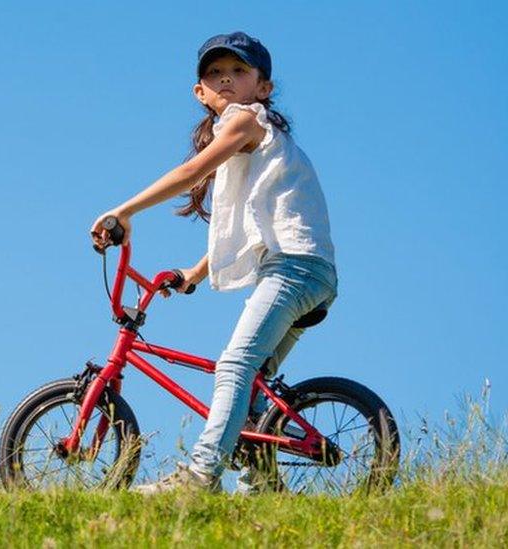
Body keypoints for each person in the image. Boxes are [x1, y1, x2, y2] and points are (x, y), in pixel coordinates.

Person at [89, 31, 338, 494]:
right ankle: (264, 484)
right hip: (304, 270)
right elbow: (247, 222)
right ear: (199, 92)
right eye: (214, 74)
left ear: (263, 87)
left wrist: (123, 210)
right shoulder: (252, 146)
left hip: (294, 269)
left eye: (239, 72)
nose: (226, 80)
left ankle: (200, 475)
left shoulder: (247, 122)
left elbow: (190, 172)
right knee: (251, 384)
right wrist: (194, 273)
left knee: (233, 366)